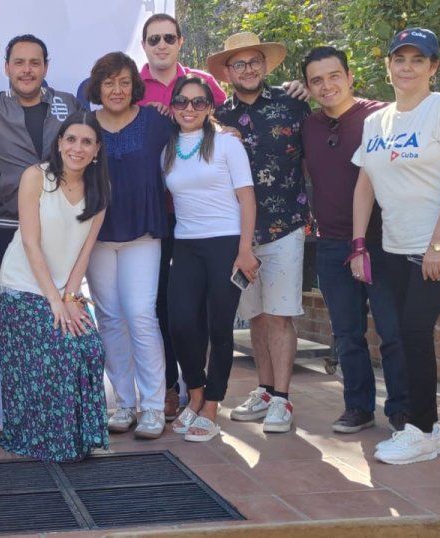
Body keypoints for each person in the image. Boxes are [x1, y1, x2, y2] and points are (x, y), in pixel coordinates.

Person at [350, 28, 440, 464]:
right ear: (388, 65)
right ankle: (418, 425)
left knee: (413, 330)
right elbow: (364, 184)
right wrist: (358, 243)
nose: (406, 67)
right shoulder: (376, 121)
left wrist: (438, 245)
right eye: (399, 59)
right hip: (394, 244)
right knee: (398, 334)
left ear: (433, 67)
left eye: (417, 60)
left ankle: (423, 429)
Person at [300, 46, 408, 434]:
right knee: (346, 334)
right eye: (316, 80)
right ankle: (358, 407)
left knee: (392, 330)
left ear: (349, 76)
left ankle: (402, 409)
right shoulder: (308, 124)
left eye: (333, 76)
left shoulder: (381, 116)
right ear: (308, 88)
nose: (326, 86)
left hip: (382, 242)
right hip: (331, 243)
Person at [209, 32, 311, 433]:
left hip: (286, 224)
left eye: (254, 62)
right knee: (255, 315)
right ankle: (265, 390)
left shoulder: (294, 104)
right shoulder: (217, 116)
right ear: (228, 72)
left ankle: (283, 400)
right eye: (239, 64)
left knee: (281, 314)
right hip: (241, 234)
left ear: (265, 66)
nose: (248, 69)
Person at [0, 111, 110, 462]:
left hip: (63, 290)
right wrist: (54, 301)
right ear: (59, 143)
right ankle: (41, 438)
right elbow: (30, 243)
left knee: (90, 348)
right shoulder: (36, 177)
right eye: (71, 139)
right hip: (22, 288)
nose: (77, 147)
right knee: (61, 350)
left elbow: (84, 252)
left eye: (86, 142)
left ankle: (80, 438)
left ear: (97, 150)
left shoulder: (100, 190)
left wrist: (71, 297)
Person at [137, 13, 227, 424]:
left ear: (180, 41)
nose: (161, 45)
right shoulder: (134, 86)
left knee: (200, 312)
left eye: (168, 38)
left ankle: (201, 392)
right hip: (157, 215)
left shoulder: (201, 82)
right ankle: (172, 389)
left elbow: (223, 120)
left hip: (202, 220)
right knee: (163, 308)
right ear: (144, 45)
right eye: (153, 38)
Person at [85, 52, 174, 440]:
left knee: (140, 315)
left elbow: (195, 134)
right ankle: (122, 403)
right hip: (97, 236)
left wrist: (227, 133)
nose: (117, 90)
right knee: (109, 318)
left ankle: (153, 407)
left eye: (123, 81)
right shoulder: (85, 124)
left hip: (143, 233)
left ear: (134, 85)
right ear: (97, 87)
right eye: (108, 83)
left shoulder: (155, 121)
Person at [163, 76, 257, 443]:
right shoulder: (168, 148)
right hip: (185, 244)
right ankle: (196, 394)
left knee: (219, 327)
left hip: (225, 243)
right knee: (182, 323)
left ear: (210, 107)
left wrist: (245, 250)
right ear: (172, 107)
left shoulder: (227, 144)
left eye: (198, 102)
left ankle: (214, 403)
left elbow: (247, 199)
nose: (189, 109)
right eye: (182, 102)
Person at [0, 34, 85, 269]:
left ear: (45, 67)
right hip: (7, 225)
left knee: (57, 300)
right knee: (8, 302)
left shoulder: (68, 105)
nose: (27, 70)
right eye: (19, 62)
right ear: (7, 68)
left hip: (60, 224)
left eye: (34, 63)